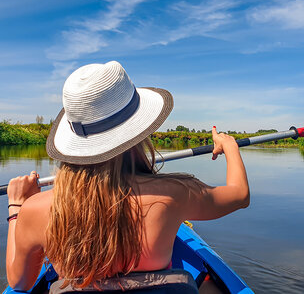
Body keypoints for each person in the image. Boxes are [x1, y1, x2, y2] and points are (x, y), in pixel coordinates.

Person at [6, 61, 249, 292]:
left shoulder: (35, 210)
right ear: (139, 132)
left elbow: (20, 283)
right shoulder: (175, 193)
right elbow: (239, 195)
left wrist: (17, 206)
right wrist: (229, 147)